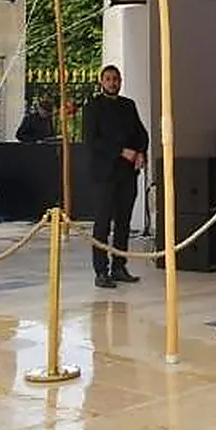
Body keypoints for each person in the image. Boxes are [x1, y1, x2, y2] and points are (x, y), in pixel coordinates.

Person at [82, 65, 148, 289]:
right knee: (102, 223)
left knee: (124, 221)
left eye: (116, 79)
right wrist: (120, 151)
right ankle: (101, 271)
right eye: (109, 79)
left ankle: (119, 266)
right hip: (105, 173)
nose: (113, 83)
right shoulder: (93, 107)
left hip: (127, 173)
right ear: (102, 81)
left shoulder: (128, 105)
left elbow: (141, 133)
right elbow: (92, 140)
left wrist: (140, 152)